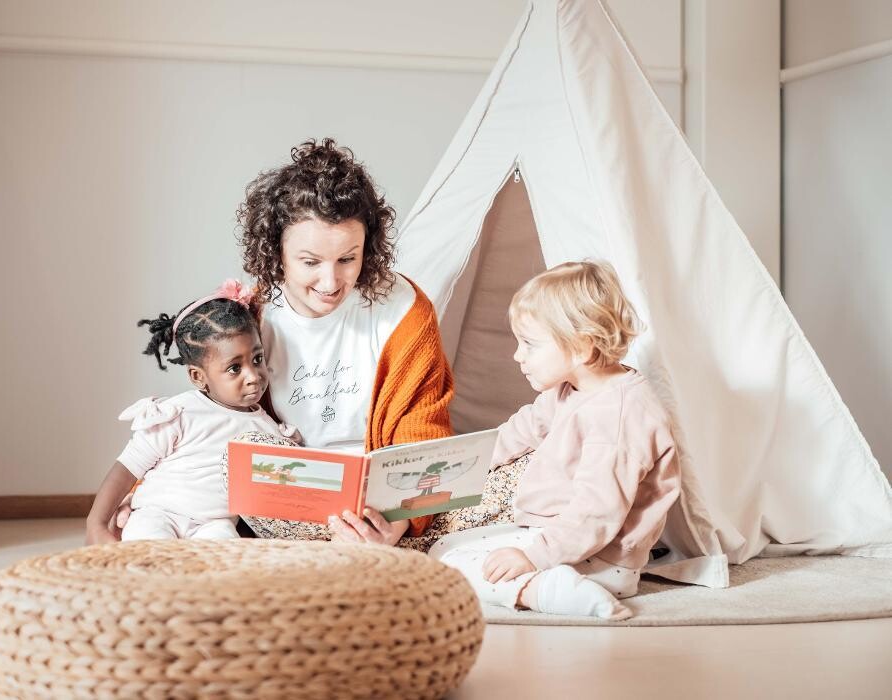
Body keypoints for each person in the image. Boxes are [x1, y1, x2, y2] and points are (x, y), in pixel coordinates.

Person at [428, 261, 682, 619]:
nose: (518, 355)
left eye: (529, 344)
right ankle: (549, 582)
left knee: (451, 564)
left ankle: (543, 590)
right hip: (556, 536)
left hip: (597, 556)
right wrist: (457, 466)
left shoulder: (621, 415)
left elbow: (597, 512)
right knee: (446, 549)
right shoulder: (570, 390)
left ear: (580, 347)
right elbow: (516, 433)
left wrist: (534, 557)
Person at [235, 137, 455, 545]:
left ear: (367, 250)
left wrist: (397, 522)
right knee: (228, 459)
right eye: (310, 262)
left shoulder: (406, 310)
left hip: (386, 501)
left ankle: (376, 545)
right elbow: (213, 415)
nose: (331, 282)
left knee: (529, 468)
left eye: (347, 259)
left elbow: (422, 426)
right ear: (276, 252)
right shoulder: (253, 314)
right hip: (293, 497)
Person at [86, 280, 293, 545]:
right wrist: (97, 523)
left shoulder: (268, 430)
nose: (253, 376)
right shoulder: (181, 413)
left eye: (257, 359)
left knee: (226, 552)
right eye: (234, 368)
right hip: (159, 513)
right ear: (198, 376)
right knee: (148, 545)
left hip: (214, 524)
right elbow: (127, 468)